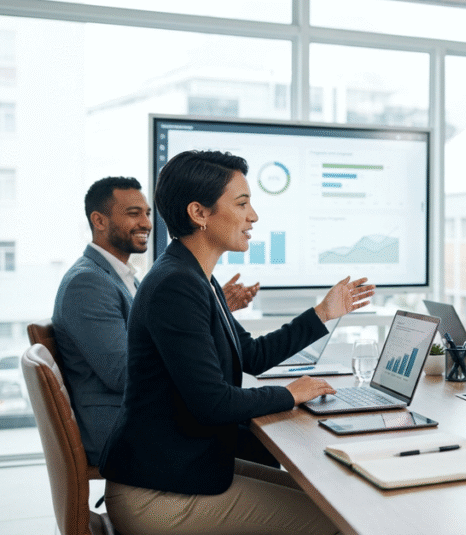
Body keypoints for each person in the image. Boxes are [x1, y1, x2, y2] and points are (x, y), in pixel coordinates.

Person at [100, 150, 373, 534]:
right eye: (242, 203)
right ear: (199, 213)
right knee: (341, 523)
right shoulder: (176, 285)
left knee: (331, 499)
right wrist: (290, 393)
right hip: (159, 497)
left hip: (181, 472)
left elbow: (252, 355)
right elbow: (213, 403)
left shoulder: (196, 277)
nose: (253, 216)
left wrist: (323, 313)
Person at [52, 176, 259, 465]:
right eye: (133, 213)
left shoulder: (123, 277)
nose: (147, 223)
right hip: (121, 429)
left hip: (143, 416)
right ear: (99, 221)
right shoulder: (88, 283)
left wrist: (199, 315)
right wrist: (194, 319)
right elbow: (122, 373)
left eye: (147, 213)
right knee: (252, 437)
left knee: (247, 429)